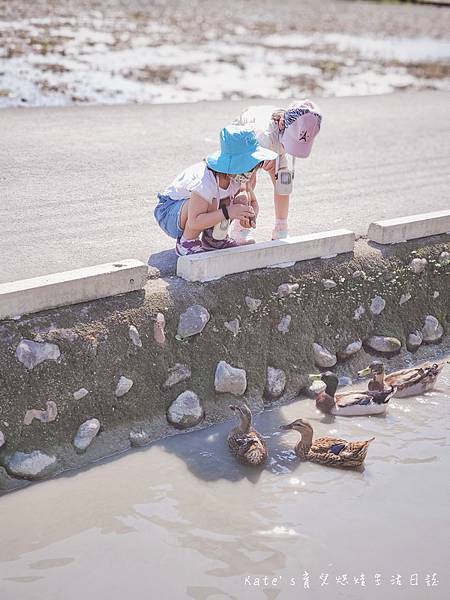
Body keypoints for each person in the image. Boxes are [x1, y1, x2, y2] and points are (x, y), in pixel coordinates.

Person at [154, 125, 277, 256]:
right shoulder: (205, 180)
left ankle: (215, 239)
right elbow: (194, 221)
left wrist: (249, 216)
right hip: (169, 213)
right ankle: (187, 243)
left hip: (191, 213)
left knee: (237, 200)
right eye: (251, 165)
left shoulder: (236, 176)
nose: (253, 170)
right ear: (238, 164)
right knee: (212, 202)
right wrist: (228, 211)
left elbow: (252, 202)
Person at [231, 100, 322, 244]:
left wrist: (276, 160)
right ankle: (240, 227)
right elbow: (241, 176)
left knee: (284, 181)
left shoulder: (298, 128)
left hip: (276, 140)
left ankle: (281, 228)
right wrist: (247, 192)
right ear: (281, 124)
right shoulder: (262, 136)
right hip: (247, 137)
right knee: (249, 180)